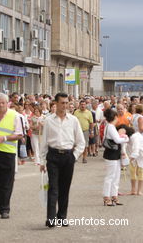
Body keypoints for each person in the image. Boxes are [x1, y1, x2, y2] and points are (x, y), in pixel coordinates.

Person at [39, 93, 85, 227]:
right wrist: (42, 161)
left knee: (64, 188)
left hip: (68, 157)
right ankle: (51, 218)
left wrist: (74, 156)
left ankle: (62, 216)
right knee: (53, 187)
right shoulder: (49, 120)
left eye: (66, 103)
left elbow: (81, 142)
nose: (65, 106)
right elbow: (44, 141)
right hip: (53, 156)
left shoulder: (73, 120)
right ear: (56, 104)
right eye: (62, 103)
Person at [101, 109, 129, 206]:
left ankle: (113, 195)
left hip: (114, 154)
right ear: (114, 117)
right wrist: (125, 138)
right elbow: (117, 140)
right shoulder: (111, 127)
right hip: (111, 154)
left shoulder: (110, 126)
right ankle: (106, 196)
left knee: (116, 176)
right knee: (110, 176)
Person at [122, 125, 143, 196]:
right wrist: (124, 156)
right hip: (132, 154)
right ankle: (133, 190)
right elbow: (123, 147)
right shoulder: (125, 138)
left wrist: (129, 159)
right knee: (132, 171)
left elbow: (136, 149)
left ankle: (139, 190)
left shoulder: (135, 137)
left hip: (142, 154)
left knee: (140, 171)